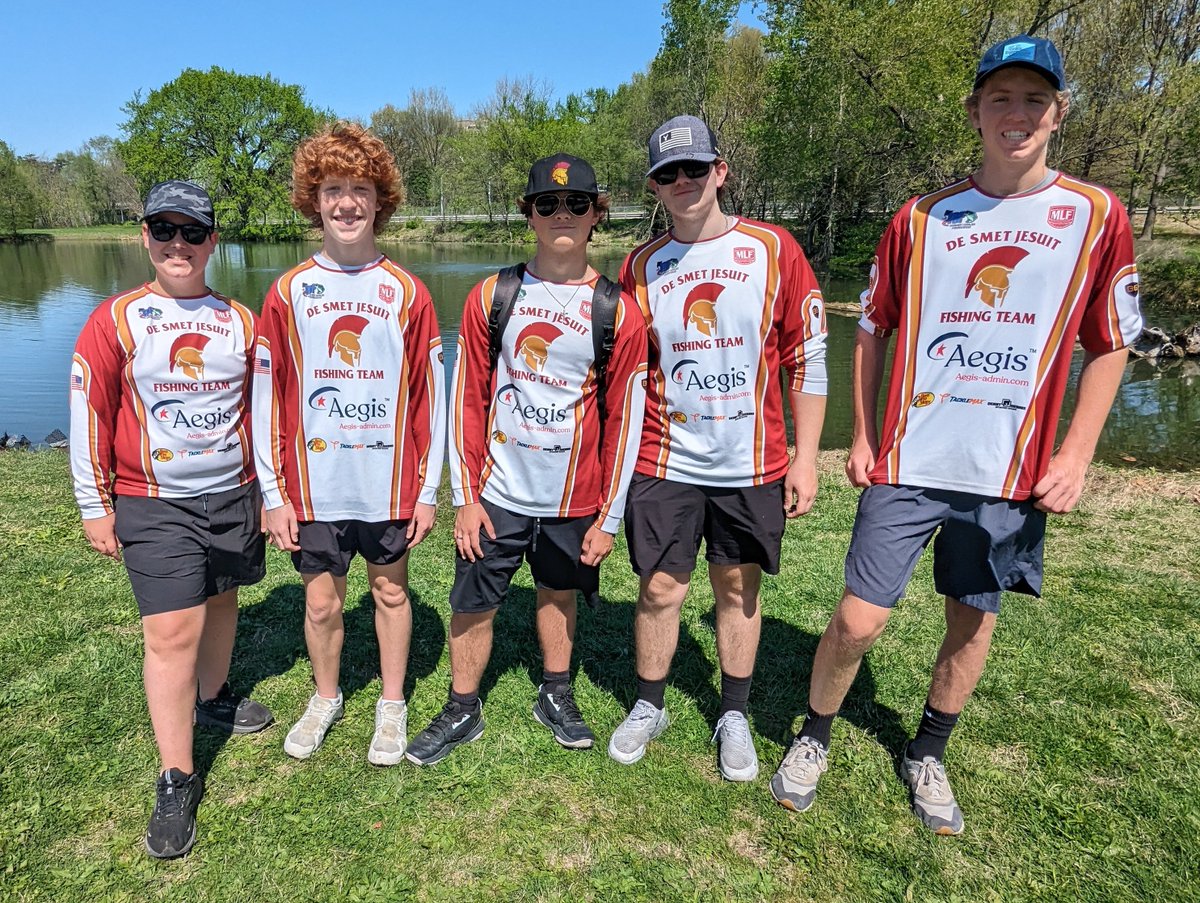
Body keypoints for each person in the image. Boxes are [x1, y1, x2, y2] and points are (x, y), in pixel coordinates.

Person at [770, 34, 1143, 834]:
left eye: (1034, 100)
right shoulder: (920, 219)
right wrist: (864, 435)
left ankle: (928, 749)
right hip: (909, 458)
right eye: (1001, 98)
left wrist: (1076, 454)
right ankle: (816, 732)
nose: (1017, 115)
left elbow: (1109, 340)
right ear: (975, 110)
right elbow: (871, 328)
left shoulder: (1096, 215)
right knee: (859, 618)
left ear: (1059, 111)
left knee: (971, 620)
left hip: (1008, 473)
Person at [405, 153, 647, 765]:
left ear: (598, 214)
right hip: (498, 496)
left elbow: (625, 422)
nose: (560, 214)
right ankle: (463, 705)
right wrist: (466, 498)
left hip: (575, 499)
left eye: (575, 204)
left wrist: (608, 518)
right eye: (547, 204)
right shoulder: (494, 294)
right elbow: (468, 401)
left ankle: (556, 694)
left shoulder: (617, 310)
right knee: (472, 602)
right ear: (528, 214)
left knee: (558, 594)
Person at [610, 116, 829, 781]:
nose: (682, 183)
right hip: (665, 459)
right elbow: (624, 369)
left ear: (720, 172)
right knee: (660, 588)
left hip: (751, 460)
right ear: (654, 185)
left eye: (694, 169)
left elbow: (807, 357)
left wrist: (807, 453)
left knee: (737, 586)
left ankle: (733, 711)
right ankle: (650, 703)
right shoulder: (639, 265)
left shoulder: (774, 248)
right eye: (668, 174)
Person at [70, 180, 272, 859]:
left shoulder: (242, 320)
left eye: (193, 231)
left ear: (213, 240)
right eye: (165, 230)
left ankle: (213, 697)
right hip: (153, 501)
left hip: (234, 494)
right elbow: (89, 413)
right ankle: (177, 775)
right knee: (170, 630)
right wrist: (93, 504)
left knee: (221, 600)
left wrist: (270, 493)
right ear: (144, 237)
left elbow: (263, 412)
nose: (178, 244)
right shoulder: (117, 319)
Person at [252, 122, 446, 765]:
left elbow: (431, 400)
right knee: (321, 598)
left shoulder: (408, 292)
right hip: (313, 486)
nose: (346, 202)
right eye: (332, 188)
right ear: (313, 198)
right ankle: (326, 695)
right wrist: (273, 493)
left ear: (379, 199)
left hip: (387, 482)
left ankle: (392, 704)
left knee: (391, 591)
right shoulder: (286, 293)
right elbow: (265, 400)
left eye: (360, 188)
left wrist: (426, 490)